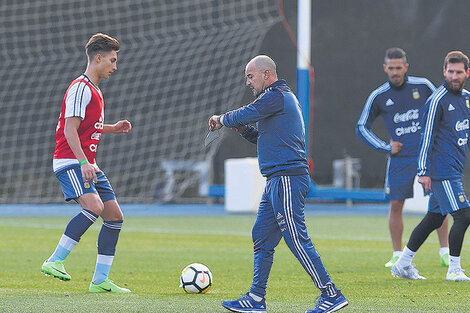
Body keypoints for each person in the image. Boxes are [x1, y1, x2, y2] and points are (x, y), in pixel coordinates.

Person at [209, 55, 348, 313]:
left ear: (266, 73)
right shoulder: (274, 99)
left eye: (250, 76)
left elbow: (246, 113)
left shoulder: (276, 96)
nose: (247, 82)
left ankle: (331, 294)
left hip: (287, 178)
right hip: (276, 180)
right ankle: (256, 298)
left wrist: (223, 119)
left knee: (295, 237)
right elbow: (261, 135)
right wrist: (243, 130)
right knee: (261, 236)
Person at [41, 33, 132, 293]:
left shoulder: (95, 90)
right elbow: (69, 129)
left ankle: (100, 281)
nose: (115, 66)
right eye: (112, 60)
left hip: (87, 163)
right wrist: (82, 162)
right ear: (98, 57)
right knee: (93, 206)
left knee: (114, 217)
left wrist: (111, 128)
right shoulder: (80, 87)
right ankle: (54, 260)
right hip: (70, 161)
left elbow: (87, 127)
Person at [356, 47, 449, 268]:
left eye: (399, 67)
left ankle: (445, 251)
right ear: (385, 68)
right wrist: (385, 146)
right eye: (391, 68)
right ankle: (397, 253)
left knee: (439, 201)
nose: (395, 72)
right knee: (396, 203)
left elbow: (442, 108)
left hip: (427, 154)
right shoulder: (379, 96)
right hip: (400, 159)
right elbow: (361, 127)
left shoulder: (423, 86)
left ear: (406, 67)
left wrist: (438, 142)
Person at [392, 51, 470, 281]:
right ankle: (454, 270)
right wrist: (424, 171)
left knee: (435, 218)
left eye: (458, 72)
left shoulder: (466, 98)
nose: (454, 76)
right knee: (464, 215)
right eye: (450, 71)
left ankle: (403, 263)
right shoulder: (437, 100)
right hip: (441, 171)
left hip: (455, 168)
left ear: (467, 73)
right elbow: (425, 138)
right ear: (444, 71)